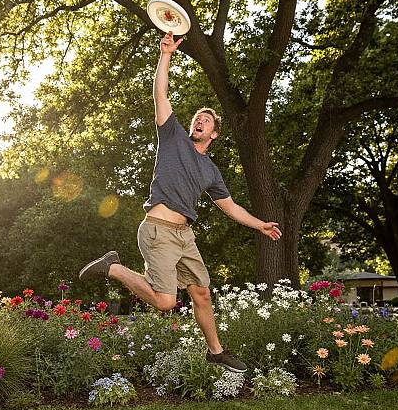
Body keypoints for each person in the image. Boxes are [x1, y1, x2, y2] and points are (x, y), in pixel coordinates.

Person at [79, 31, 282, 372]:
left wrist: (260, 223)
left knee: (202, 293)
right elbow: (160, 94)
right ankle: (112, 266)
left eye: (207, 121)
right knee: (165, 301)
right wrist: (166, 55)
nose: (199, 121)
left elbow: (230, 207)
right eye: (197, 119)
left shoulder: (211, 171)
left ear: (214, 134)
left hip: (185, 236)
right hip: (158, 230)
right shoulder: (173, 137)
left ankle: (216, 351)